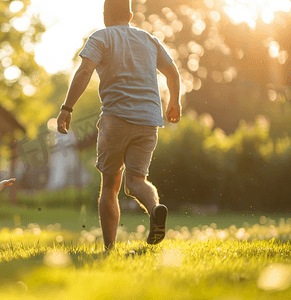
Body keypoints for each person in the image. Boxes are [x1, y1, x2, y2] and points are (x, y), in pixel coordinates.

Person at [56, 0, 181, 250]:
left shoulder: (101, 37)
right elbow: (173, 73)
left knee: (110, 186)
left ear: (105, 15)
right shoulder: (149, 39)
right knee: (136, 181)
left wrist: (67, 108)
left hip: (116, 119)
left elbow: (84, 72)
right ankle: (155, 209)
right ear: (131, 14)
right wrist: (174, 103)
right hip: (149, 120)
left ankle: (110, 247)